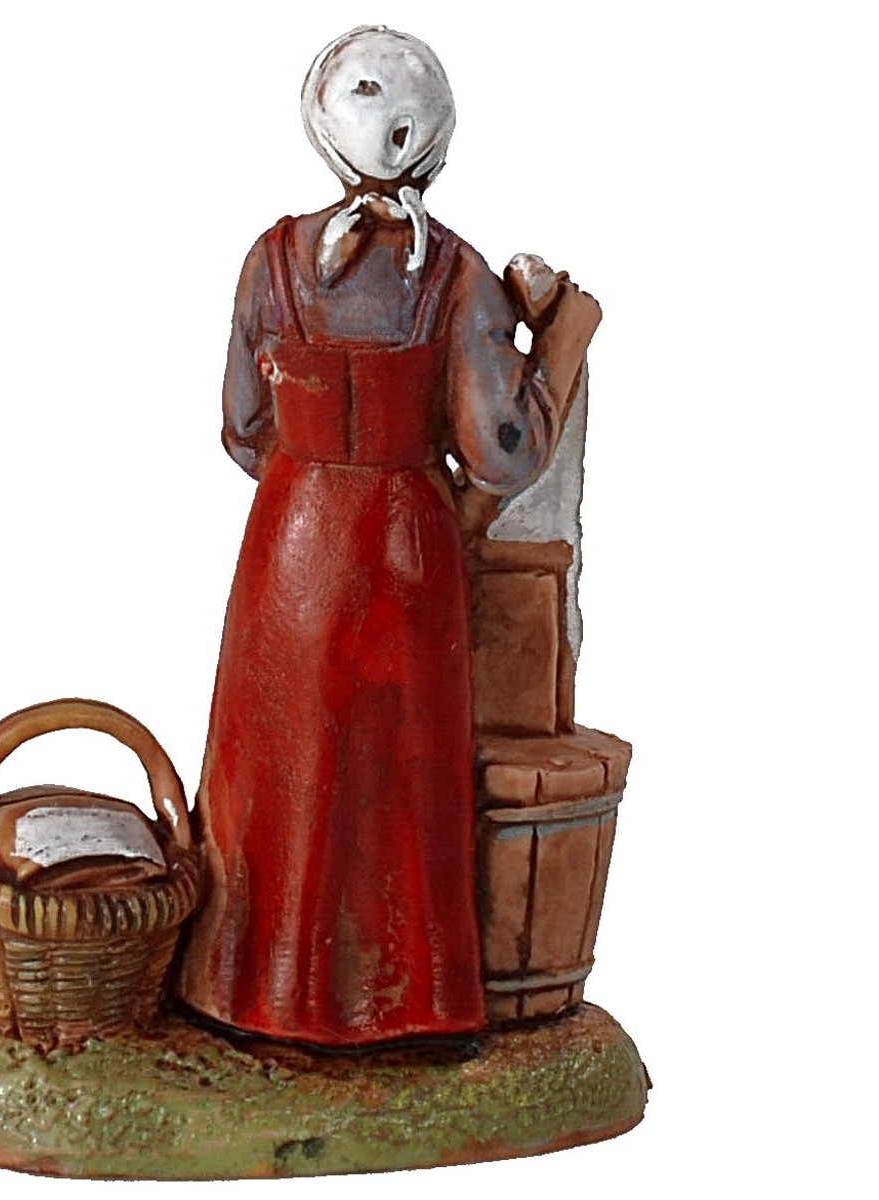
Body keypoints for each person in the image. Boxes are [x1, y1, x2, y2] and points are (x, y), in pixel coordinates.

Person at [178, 26, 601, 1046]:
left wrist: (311, 471)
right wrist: (555, 343)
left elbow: (241, 427)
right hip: (406, 552)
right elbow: (502, 453)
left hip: (290, 543)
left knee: (277, 766)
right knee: (398, 775)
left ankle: (253, 991)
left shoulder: (271, 260)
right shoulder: (457, 275)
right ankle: (407, 1001)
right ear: (436, 141)